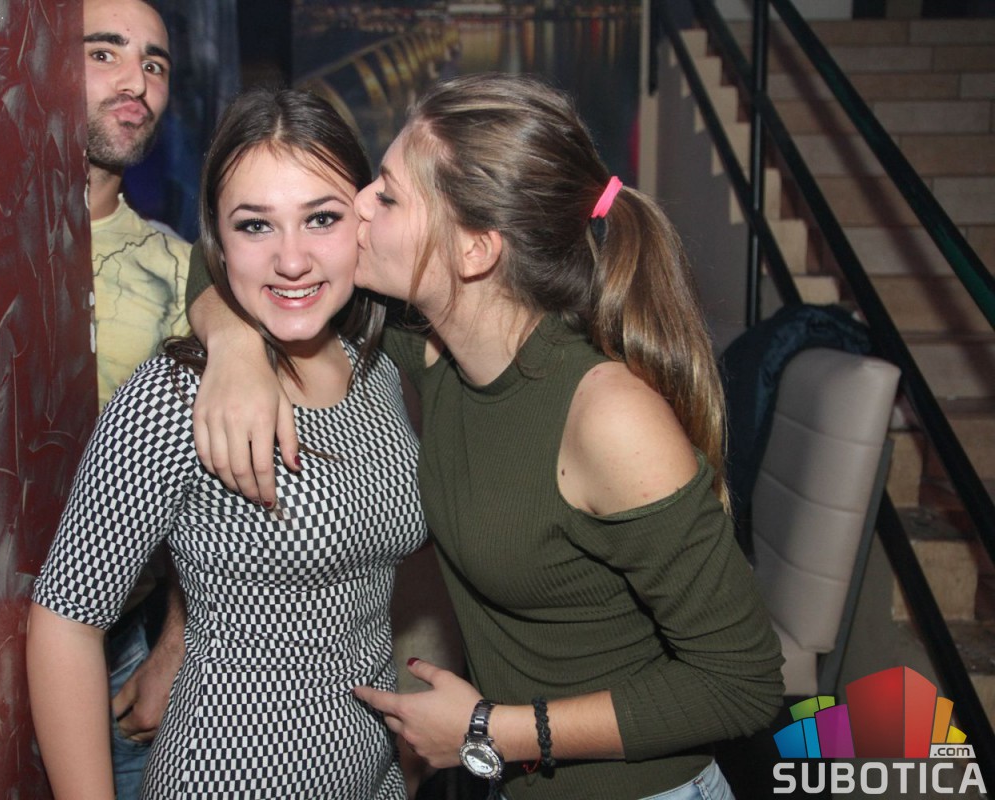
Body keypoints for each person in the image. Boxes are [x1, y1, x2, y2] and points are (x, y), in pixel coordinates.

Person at [183, 73, 785, 799]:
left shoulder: (607, 416)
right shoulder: (436, 356)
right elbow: (222, 254)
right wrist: (233, 347)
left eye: (388, 196)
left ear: (474, 251)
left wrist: (493, 732)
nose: (358, 204)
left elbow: (743, 683)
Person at [27, 86, 427, 800]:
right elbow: (65, 619)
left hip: (374, 777)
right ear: (216, 237)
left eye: (321, 218)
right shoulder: (174, 394)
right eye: (255, 225)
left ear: (363, 220)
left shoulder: (381, 373)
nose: (292, 259)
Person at [72, 0, 196, 795]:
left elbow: (207, 484)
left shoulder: (178, 271)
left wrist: (172, 648)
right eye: (105, 53)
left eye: (154, 64)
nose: (137, 82)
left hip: (119, 638)